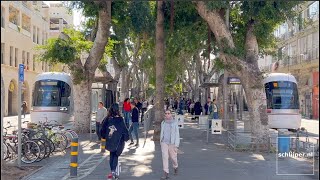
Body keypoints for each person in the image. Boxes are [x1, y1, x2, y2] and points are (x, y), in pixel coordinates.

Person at [101, 103, 129, 179]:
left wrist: (103, 137)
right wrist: (126, 138)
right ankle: (113, 171)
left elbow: (102, 129)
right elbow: (124, 130)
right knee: (115, 155)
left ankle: (112, 171)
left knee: (111, 154)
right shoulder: (120, 119)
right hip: (118, 141)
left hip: (109, 140)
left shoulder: (107, 119)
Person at [160, 110, 180, 179]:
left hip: (172, 143)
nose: (167, 115)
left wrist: (176, 145)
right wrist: (161, 141)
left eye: (169, 113)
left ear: (171, 114)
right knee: (165, 157)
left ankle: (175, 166)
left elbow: (177, 134)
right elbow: (162, 132)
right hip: (164, 142)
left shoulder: (174, 123)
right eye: (166, 113)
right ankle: (166, 173)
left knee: (173, 157)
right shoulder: (163, 123)